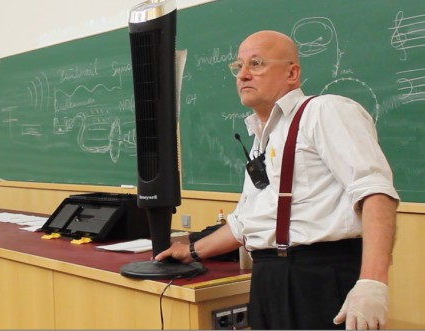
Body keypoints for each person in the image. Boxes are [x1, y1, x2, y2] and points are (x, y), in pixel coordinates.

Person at [155, 30, 399, 330]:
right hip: (268, 279)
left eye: (256, 64)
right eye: (238, 66)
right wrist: (191, 250)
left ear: (292, 73)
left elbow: (375, 193)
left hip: (319, 277)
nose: (243, 75)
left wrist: (373, 282)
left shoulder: (324, 112)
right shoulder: (263, 136)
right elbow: (245, 224)